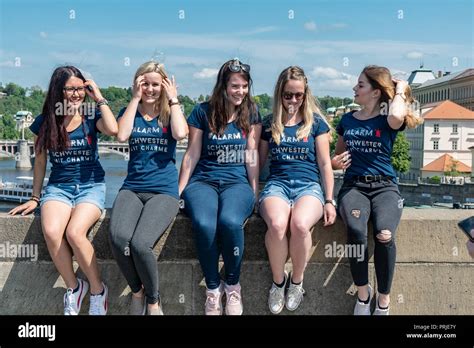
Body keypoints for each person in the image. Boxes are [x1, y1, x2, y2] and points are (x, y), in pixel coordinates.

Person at [8, 66, 118, 315]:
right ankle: (74, 287)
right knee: (51, 230)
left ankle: (98, 291)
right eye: (71, 89)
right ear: (59, 90)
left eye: (80, 88)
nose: (77, 94)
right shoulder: (46, 122)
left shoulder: (91, 115)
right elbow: (39, 161)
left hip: (90, 187)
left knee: (76, 233)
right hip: (59, 187)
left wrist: (98, 96)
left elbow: (114, 130)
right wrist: (36, 197)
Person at [332, 65, 422, 315]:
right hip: (354, 186)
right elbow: (337, 156)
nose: (354, 88)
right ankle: (363, 295)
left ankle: (384, 299)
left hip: (385, 187)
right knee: (356, 231)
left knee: (384, 234)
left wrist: (401, 89)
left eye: (360, 85)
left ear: (375, 92)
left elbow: (396, 116)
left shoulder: (388, 119)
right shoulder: (348, 119)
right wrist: (334, 163)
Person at [178, 58, 261, 315]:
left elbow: (252, 154)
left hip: (236, 182)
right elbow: (192, 153)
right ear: (223, 86)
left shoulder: (252, 112)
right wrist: (179, 190)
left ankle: (233, 286)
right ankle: (213, 289)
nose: (240, 92)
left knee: (229, 222)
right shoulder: (203, 112)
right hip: (203, 180)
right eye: (235, 86)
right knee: (204, 224)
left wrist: (254, 191)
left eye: (244, 86)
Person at [109, 61, 188, 315]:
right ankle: (137, 291)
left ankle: (153, 300)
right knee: (120, 238)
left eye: (156, 84)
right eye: (146, 84)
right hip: (132, 187)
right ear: (137, 84)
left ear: (163, 85)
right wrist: (134, 99)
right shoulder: (129, 110)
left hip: (163, 191)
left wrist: (173, 99)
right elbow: (121, 136)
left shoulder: (169, 112)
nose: (151, 89)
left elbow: (180, 133)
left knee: (141, 243)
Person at [258, 66, 336, 314]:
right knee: (278, 224)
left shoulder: (317, 124)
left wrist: (329, 199)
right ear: (279, 94)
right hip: (277, 185)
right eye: (288, 95)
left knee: (301, 225)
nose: (293, 100)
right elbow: (257, 163)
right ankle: (278, 282)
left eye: (298, 95)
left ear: (305, 95)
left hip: (308, 186)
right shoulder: (269, 124)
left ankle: (297, 282)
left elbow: (325, 163)